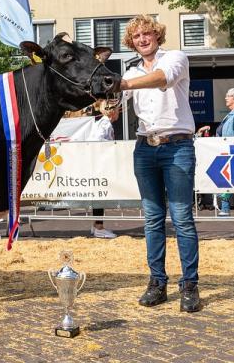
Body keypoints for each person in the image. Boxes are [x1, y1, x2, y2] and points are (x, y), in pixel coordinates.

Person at [120, 15, 202, 312]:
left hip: (177, 146)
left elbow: (162, 79)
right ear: (131, 42)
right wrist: (108, 105)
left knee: (182, 218)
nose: (142, 39)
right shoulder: (130, 70)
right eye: (137, 36)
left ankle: (190, 285)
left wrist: (121, 84)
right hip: (145, 148)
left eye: (147, 33)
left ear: (157, 35)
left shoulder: (176, 57)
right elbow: (115, 106)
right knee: (152, 220)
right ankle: (157, 283)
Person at [197, 87, 234, 217]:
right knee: (223, 179)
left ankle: (225, 208)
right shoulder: (229, 115)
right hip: (225, 152)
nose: (225, 98)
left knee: (224, 179)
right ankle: (224, 208)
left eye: (228, 96)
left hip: (230, 151)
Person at [87, 100, 120, 238]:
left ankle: (96, 226)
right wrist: (110, 147)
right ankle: (99, 227)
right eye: (118, 110)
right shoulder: (105, 123)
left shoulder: (103, 122)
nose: (119, 112)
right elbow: (97, 140)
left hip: (99, 163)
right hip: (100, 164)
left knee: (99, 194)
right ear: (112, 111)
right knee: (100, 194)